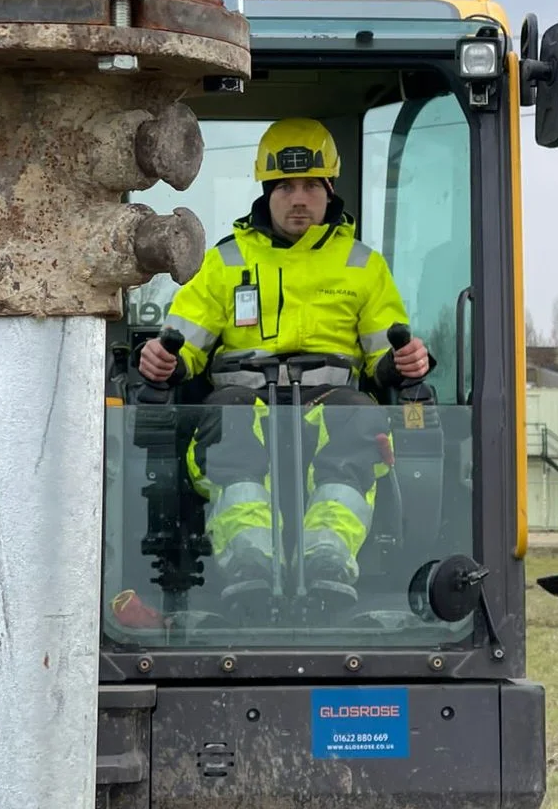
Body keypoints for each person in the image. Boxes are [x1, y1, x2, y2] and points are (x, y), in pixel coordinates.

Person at [137, 118, 430, 607]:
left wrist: (407, 360)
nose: (299, 199)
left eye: (311, 186)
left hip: (334, 400)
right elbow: (183, 344)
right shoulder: (225, 263)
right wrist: (164, 360)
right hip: (242, 400)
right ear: (267, 190)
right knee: (228, 417)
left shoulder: (363, 266)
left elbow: (384, 356)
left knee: (359, 415)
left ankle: (329, 557)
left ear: (329, 189)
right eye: (286, 187)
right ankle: (248, 558)